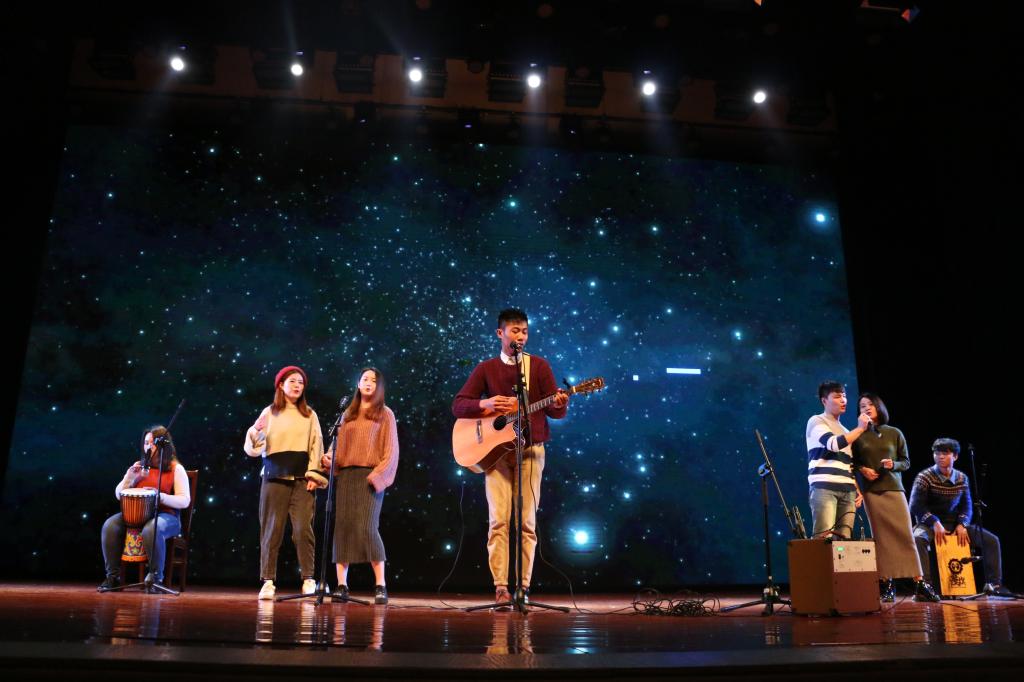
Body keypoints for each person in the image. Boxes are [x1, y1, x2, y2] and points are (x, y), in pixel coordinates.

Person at [452, 308, 568, 606]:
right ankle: (501, 588)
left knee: (526, 522)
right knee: (498, 522)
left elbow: (554, 412)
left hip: (531, 451)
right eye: (515, 331)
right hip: (497, 456)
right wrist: (486, 404)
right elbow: (459, 405)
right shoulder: (486, 368)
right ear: (500, 333)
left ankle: (523, 588)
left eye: (524, 331)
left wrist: (560, 402)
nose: (521, 336)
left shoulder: (538, 366)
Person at [244, 365, 327, 600]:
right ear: (281, 385)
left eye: (301, 382)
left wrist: (314, 475)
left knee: (303, 530)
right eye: (292, 381)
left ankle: (308, 579)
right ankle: (268, 581)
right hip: (274, 478)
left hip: (302, 479)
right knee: (271, 530)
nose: (297, 385)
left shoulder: (310, 414)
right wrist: (255, 430)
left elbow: (317, 445)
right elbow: (253, 449)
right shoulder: (269, 412)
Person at [322, 367, 399, 605]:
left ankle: (380, 585)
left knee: (367, 528)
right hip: (346, 476)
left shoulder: (385, 414)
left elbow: (391, 451)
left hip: (369, 477)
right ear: (358, 384)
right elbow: (336, 447)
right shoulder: (347, 414)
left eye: (373, 380)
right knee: (343, 528)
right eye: (364, 379)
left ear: (379, 386)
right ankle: (342, 585)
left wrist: (377, 477)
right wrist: (329, 459)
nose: (368, 383)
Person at [852, 393, 939, 602]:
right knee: (882, 539)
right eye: (862, 406)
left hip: (894, 489)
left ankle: (919, 583)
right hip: (872, 492)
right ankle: (887, 583)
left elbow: (906, 462)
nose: (866, 408)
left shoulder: (894, 432)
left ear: (878, 407)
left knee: (905, 535)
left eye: (870, 404)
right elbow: (852, 463)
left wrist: (893, 464)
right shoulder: (858, 436)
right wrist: (863, 469)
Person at [909, 438, 1009, 596]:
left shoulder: (962, 478)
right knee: (918, 539)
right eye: (937, 453)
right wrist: (934, 522)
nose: (940, 456)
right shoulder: (924, 477)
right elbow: (915, 506)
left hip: (954, 524)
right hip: (929, 524)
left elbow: (967, 506)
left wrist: (962, 523)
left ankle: (995, 585)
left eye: (945, 453)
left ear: (955, 456)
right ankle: (926, 586)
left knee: (991, 540)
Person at [98, 426, 191, 592]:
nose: (148, 446)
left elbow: (184, 501)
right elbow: (119, 495)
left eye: (152, 443)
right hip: (137, 516)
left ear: (163, 446)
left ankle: (156, 579)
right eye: (146, 443)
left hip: (166, 517)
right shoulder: (139, 466)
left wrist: (160, 496)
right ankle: (113, 577)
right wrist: (129, 478)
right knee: (110, 525)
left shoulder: (176, 469)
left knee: (151, 529)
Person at [805, 381, 866, 540]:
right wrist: (860, 428)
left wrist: (856, 488)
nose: (843, 400)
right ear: (824, 400)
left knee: (844, 543)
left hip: (848, 491)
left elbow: (848, 465)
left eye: (844, 396)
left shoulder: (846, 431)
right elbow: (833, 444)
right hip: (824, 488)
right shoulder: (817, 421)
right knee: (823, 539)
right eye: (838, 396)